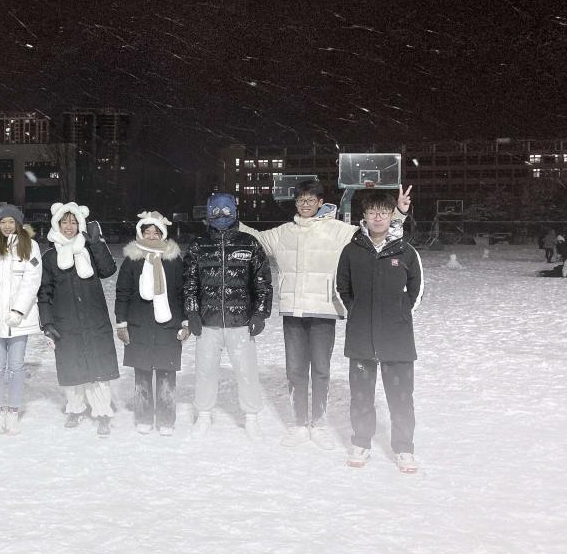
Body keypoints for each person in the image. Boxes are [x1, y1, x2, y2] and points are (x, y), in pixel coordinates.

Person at [239, 181, 412, 449]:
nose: (305, 204)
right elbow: (256, 239)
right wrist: (228, 219)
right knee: (295, 371)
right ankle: (299, 424)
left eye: (311, 199)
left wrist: (398, 213)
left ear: (320, 203)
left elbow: (375, 230)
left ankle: (318, 424)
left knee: (320, 370)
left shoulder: (338, 230)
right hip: (293, 312)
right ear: (295, 203)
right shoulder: (283, 232)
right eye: (301, 200)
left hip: (324, 311)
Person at [337, 191, 424, 473]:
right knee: (361, 396)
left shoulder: (405, 251)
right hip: (361, 336)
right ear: (364, 216)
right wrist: (357, 312)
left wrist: (400, 314)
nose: (378, 218)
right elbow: (341, 287)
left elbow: (417, 289)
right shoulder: (351, 250)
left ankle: (404, 448)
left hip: (397, 338)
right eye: (372, 212)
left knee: (401, 397)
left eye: (383, 212)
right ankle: (361, 442)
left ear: (391, 216)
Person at [182, 192, 272, 440]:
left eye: (226, 210)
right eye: (216, 211)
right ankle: (203, 415)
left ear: (235, 212)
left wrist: (260, 314)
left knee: (246, 370)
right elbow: (189, 283)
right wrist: (192, 311)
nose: (221, 215)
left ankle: (251, 417)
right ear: (208, 213)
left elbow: (262, 282)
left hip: (240, 321)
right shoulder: (199, 245)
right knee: (205, 370)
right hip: (207, 322)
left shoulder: (249, 243)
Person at [37, 202, 119, 437]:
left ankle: (102, 413)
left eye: (74, 222)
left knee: (98, 367)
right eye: (64, 222)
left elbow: (108, 270)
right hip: (66, 322)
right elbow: (44, 293)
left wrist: (97, 242)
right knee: (72, 367)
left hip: (94, 319)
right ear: (57, 224)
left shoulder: (90, 250)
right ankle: (75, 409)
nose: (69, 227)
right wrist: (47, 322)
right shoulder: (50, 257)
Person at [114, 211, 188, 436]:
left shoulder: (173, 260)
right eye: (147, 232)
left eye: (157, 232)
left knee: (166, 373)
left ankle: (166, 419)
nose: (152, 236)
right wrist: (121, 322)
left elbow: (183, 292)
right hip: (139, 325)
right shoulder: (132, 260)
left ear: (163, 234)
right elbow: (122, 292)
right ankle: (143, 417)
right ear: (140, 233)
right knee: (143, 374)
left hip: (168, 325)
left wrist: (186, 321)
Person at [0, 204, 43, 435]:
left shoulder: (30, 246)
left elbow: (32, 281)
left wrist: (18, 310)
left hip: (19, 319)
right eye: (3, 222)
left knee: (16, 367)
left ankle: (13, 411)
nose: (7, 226)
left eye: (11, 221)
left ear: (18, 223)